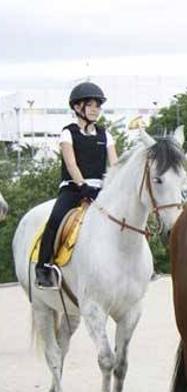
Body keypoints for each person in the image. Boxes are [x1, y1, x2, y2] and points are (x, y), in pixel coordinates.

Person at [35, 81, 119, 289]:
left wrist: (114, 186)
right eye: (90, 105)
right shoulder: (68, 133)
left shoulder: (105, 135)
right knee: (55, 220)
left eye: (97, 106)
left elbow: (115, 165)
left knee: (125, 217)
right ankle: (43, 267)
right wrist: (82, 186)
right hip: (74, 188)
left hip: (101, 189)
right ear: (77, 107)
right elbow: (71, 164)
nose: (95, 109)